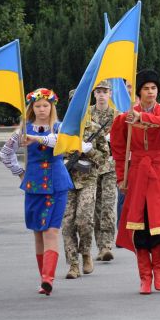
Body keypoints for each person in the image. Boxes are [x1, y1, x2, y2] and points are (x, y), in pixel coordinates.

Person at [110, 69, 160, 294]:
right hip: (137, 172)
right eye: (146, 88)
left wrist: (143, 118)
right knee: (139, 225)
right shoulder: (124, 118)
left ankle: (159, 272)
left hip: (159, 172)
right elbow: (119, 152)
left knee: (159, 224)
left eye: (153, 88)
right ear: (138, 92)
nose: (150, 92)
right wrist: (122, 177)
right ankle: (144, 276)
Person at [0, 88, 73, 295]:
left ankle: (48, 279)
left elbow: (59, 143)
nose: (42, 110)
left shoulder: (59, 128)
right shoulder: (22, 130)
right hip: (34, 186)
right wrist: (19, 172)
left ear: (52, 107)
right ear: (32, 108)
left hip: (57, 183)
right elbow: (4, 154)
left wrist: (36, 138)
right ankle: (44, 278)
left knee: (51, 230)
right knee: (38, 232)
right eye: (38, 106)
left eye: (45, 106)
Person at [61, 82, 115, 280]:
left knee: (85, 220)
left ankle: (86, 252)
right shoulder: (61, 129)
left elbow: (104, 157)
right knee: (67, 224)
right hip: (65, 180)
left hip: (88, 179)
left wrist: (88, 150)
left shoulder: (93, 127)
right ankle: (73, 264)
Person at [89, 81, 118, 263]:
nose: (101, 95)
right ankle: (99, 244)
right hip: (90, 167)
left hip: (110, 166)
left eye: (104, 92)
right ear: (94, 94)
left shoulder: (116, 115)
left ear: (110, 94)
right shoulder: (87, 114)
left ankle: (106, 245)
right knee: (94, 207)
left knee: (107, 205)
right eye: (98, 91)